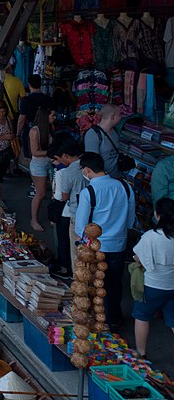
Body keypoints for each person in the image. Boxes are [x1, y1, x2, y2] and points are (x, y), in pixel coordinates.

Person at [75, 152, 135, 326]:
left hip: (96, 246)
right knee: (115, 283)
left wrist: (80, 241)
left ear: (87, 170)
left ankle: (99, 320)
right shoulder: (124, 186)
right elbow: (130, 218)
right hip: (119, 243)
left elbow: (81, 225)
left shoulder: (89, 192)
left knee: (95, 284)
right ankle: (114, 318)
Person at [133, 198, 174, 356]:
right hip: (172, 285)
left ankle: (141, 352)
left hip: (152, 285)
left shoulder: (151, 236)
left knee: (142, 316)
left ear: (157, 215)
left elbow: (138, 257)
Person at [49, 135, 84, 277]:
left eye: (58, 158)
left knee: (68, 244)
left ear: (65, 155)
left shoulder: (68, 171)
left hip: (71, 212)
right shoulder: (87, 164)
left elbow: (62, 196)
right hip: (86, 213)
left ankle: (69, 272)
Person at [27, 105, 55, 232]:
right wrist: (51, 152)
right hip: (38, 165)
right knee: (41, 193)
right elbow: (35, 151)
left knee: (55, 192)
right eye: (52, 115)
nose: (54, 118)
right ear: (46, 117)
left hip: (50, 163)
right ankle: (34, 220)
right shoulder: (34, 131)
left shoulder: (50, 128)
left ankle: (52, 217)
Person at [83, 103, 122, 178]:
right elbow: (92, 162)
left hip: (116, 176)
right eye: (119, 115)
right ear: (112, 117)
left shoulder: (114, 131)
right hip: (104, 179)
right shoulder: (93, 134)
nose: (121, 117)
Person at [16, 74, 50, 157]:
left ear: (29, 84)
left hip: (30, 129)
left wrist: (18, 134)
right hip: (46, 129)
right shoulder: (48, 98)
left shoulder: (26, 100)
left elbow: (21, 119)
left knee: (31, 154)